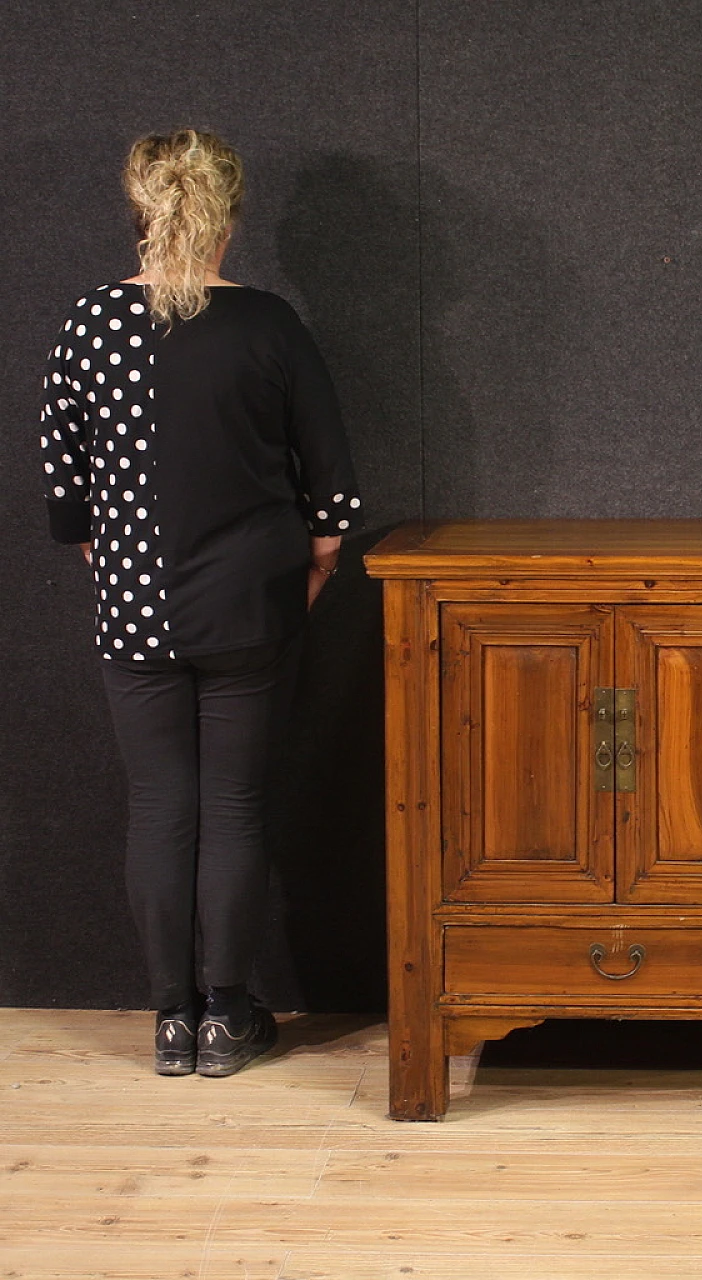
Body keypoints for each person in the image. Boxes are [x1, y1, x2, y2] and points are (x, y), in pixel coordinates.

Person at [38, 128, 363, 1077]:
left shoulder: (88, 326)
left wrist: (122, 563)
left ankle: (170, 1023)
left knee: (159, 807)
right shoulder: (269, 326)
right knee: (233, 805)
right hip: (253, 607)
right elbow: (333, 497)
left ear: (141, 211)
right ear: (229, 222)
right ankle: (227, 1015)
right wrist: (310, 572)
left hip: (134, 611)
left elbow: (69, 502)